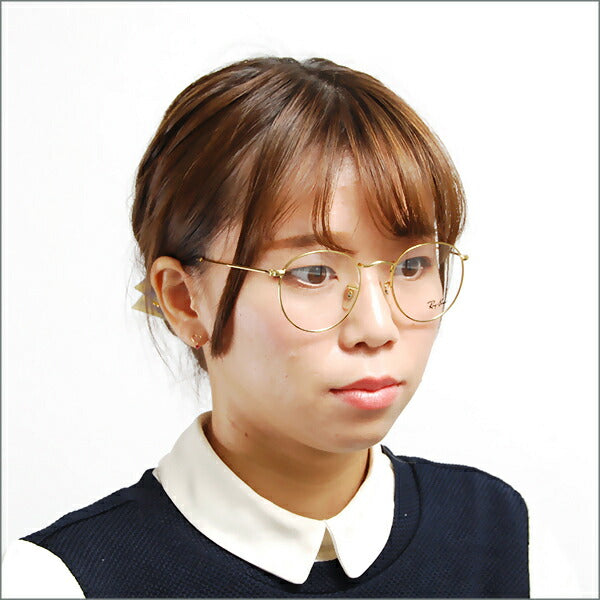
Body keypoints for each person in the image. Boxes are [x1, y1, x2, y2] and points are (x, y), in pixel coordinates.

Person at [2, 56, 529, 598]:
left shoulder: (504, 536)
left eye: (413, 265)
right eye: (314, 273)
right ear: (184, 301)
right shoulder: (62, 581)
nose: (377, 326)